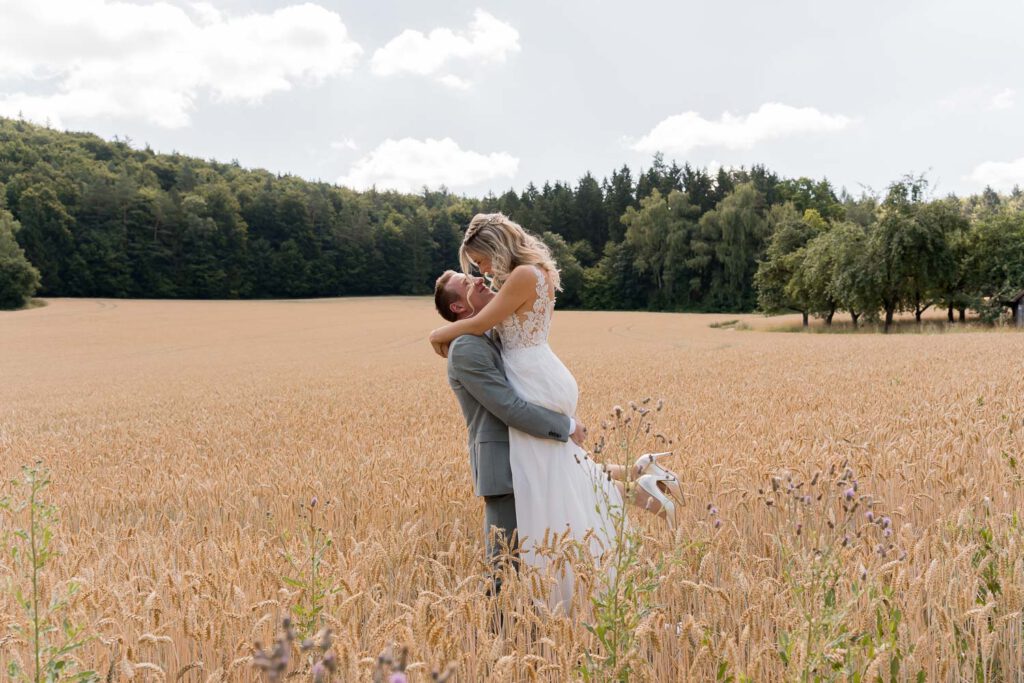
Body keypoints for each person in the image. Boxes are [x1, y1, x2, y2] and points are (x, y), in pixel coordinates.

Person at [430, 212, 680, 612]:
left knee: (522, 534)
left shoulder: (512, 288)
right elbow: (485, 328)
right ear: (458, 305)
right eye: (473, 274)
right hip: (541, 377)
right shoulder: (525, 282)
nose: (482, 274)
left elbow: (491, 350)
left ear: (497, 246)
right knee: (563, 477)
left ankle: (635, 489)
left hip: (535, 383)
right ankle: (638, 481)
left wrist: (437, 333)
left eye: (481, 263)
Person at [434, 268, 587, 596]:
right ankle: (493, 641)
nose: (476, 279)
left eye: (469, 274)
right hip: (504, 468)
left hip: (527, 458)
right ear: (459, 308)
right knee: (503, 569)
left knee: (536, 561)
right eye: (465, 283)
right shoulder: (466, 349)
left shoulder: (489, 334)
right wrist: (568, 426)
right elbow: (508, 406)